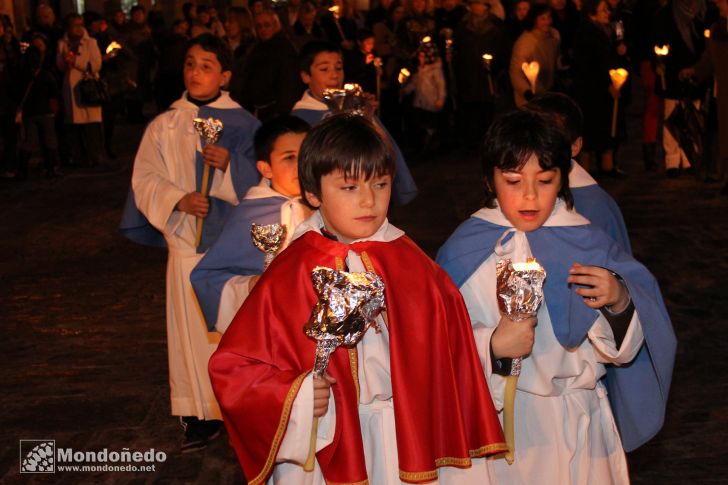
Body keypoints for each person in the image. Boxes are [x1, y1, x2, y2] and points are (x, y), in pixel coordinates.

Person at [208, 113, 507, 484]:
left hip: (407, 437)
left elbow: (451, 346)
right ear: (314, 193)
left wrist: (494, 344)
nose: (368, 200)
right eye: (349, 188)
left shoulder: (412, 263)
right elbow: (235, 368)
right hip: (328, 442)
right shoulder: (294, 270)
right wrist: (295, 395)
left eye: (380, 184)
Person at [437, 109, 676, 484]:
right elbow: (438, 346)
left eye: (545, 180)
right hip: (498, 425)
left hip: (578, 419)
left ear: (564, 179)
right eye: (513, 181)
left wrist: (617, 301)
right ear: (490, 180)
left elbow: (625, 345)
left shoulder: (587, 242)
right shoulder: (465, 251)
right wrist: (492, 346)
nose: (530, 195)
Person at [119, 34, 260, 452]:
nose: (196, 72)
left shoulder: (245, 124)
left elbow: (269, 175)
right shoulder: (166, 124)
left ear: (225, 75)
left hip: (230, 246)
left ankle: (240, 406)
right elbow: (145, 176)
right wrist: (178, 199)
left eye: (206, 65)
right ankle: (199, 410)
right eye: (190, 64)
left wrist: (231, 166)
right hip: (185, 243)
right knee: (190, 332)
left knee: (232, 326)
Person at [191, 115, 312, 333]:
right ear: (266, 169)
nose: (301, 165)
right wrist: (249, 286)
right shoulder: (251, 215)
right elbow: (209, 278)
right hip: (275, 330)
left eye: (306, 155)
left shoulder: (328, 205)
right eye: (289, 158)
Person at [291, 40, 418, 205]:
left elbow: (384, 149)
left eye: (338, 67)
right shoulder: (301, 118)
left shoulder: (354, 105)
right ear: (306, 76)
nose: (334, 75)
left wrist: (368, 118)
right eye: (324, 69)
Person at [526, 92, 632, 252]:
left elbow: (618, 268)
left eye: (552, 142)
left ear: (575, 146)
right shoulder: (514, 195)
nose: (538, 150)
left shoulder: (595, 207)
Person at [56, 13, 104, 168]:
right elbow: (60, 67)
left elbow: (96, 65)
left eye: (80, 24)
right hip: (70, 90)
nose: (78, 28)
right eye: (75, 25)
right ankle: (79, 157)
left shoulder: (91, 43)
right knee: (75, 128)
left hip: (87, 89)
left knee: (91, 126)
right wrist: (65, 61)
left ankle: (95, 157)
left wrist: (76, 61)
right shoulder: (62, 43)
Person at [509, 4, 561, 107]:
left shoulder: (554, 36)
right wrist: (527, 92)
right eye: (543, 19)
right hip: (530, 99)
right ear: (534, 20)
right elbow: (516, 72)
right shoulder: (525, 43)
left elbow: (556, 61)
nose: (547, 22)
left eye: (549, 17)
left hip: (548, 93)